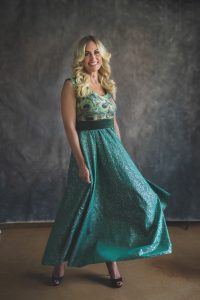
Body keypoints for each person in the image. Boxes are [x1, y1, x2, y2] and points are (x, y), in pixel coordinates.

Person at [41, 35, 172, 288]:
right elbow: (69, 127)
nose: (93, 58)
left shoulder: (107, 84)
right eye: (88, 53)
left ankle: (111, 262)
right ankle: (59, 261)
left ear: (103, 57)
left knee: (122, 204)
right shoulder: (72, 84)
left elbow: (113, 123)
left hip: (112, 153)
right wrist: (81, 163)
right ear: (82, 57)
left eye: (97, 53)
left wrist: (120, 155)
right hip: (87, 152)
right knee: (76, 208)